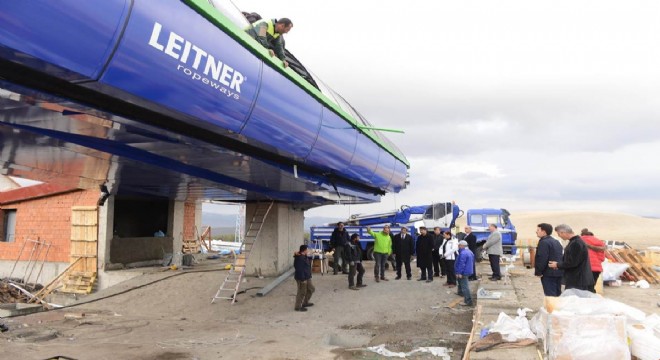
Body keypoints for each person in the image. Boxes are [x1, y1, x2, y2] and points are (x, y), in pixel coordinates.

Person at [549, 224, 594, 292]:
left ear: (563, 232)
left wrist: (558, 265)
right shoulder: (574, 242)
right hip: (578, 279)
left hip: (579, 280)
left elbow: (573, 262)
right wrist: (559, 265)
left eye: (558, 234)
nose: (559, 236)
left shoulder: (576, 243)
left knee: (577, 301)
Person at [534, 223, 564, 296]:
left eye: (538, 230)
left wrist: (538, 271)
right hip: (558, 271)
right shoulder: (556, 241)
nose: (536, 231)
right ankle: (557, 307)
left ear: (544, 232)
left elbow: (542, 258)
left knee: (550, 294)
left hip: (548, 272)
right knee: (557, 293)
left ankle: (552, 307)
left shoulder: (544, 242)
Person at [293, 245, 315, 311]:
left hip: (307, 276)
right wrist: (302, 279)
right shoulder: (300, 258)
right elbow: (299, 269)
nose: (308, 251)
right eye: (307, 250)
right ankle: (298, 307)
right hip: (302, 277)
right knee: (301, 292)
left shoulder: (303, 256)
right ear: (304, 250)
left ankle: (305, 302)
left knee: (311, 289)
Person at [455, 240, 475, 306]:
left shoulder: (463, 253)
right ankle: (461, 293)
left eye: (459, 245)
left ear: (462, 246)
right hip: (468, 270)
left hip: (464, 272)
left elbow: (461, 264)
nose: (458, 246)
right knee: (462, 284)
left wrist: (459, 273)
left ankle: (468, 301)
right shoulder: (469, 252)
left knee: (465, 286)